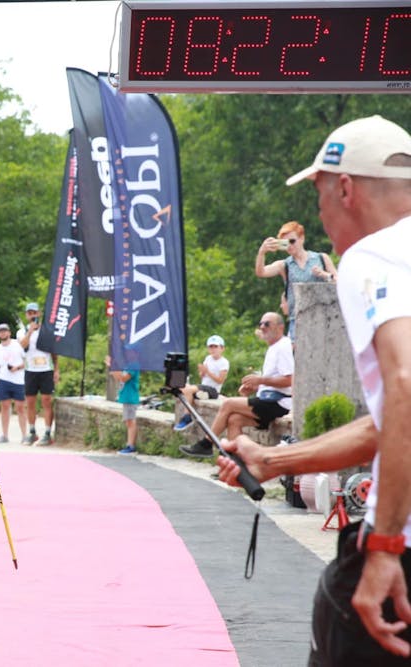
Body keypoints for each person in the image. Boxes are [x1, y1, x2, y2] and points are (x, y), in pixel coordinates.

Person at [217, 115, 411, 665]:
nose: (320, 216)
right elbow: (392, 421)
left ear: (345, 188)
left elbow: (405, 391)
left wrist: (384, 546)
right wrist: (275, 461)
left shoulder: (373, 255)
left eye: (320, 196)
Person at [180, 312, 292, 458]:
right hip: (269, 400)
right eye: (261, 324)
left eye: (267, 324)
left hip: (277, 403)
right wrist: (255, 387)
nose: (262, 327)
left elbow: (289, 380)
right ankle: (236, 464)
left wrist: (260, 380)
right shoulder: (274, 347)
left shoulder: (283, 346)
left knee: (228, 404)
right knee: (234, 420)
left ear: (280, 327)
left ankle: (206, 444)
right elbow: (275, 381)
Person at [255, 220, 338, 340]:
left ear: (302, 239)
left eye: (292, 241)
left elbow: (339, 282)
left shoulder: (321, 258)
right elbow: (261, 272)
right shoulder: (285, 265)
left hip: (323, 317)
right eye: (285, 243)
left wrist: (325, 275)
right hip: (298, 319)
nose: (289, 245)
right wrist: (262, 252)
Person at [17, 302, 59, 445]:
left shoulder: (48, 330)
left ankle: (47, 432)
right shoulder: (22, 331)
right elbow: (22, 345)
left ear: (39, 313)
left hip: (46, 369)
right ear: (26, 315)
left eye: (34, 312)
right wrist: (30, 331)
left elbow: (54, 351)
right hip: (31, 370)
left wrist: (57, 369)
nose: (32, 315)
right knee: (30, 402)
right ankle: (32, 431)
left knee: (47, 400)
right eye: (29, 313)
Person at [173, 335, 230, 431]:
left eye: (215, 347)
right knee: (183, 388)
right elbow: (202, 376)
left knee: (188, 389)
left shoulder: (224, 362)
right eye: (211, 347)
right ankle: (192, 406)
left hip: (213, 390)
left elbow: (220, 380)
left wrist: (207, 371)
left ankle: (187, 416)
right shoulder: (208, 358)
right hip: (204, 387)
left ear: (222, 348)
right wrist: (202, 372)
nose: (213, 349)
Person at [0, 323, 27, 444]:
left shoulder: (18, 345)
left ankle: (24, 435)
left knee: (20, 407)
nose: (3, 333)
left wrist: (17, 368)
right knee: (5, 407)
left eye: (5, 331)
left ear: (9, 332)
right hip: (4, 380)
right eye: (0, 331)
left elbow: (26, 362)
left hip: (18, 380)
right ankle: (5, 434)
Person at [107, 355, 140, 454]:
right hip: (126, 397)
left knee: (130, 421)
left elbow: (123, 378)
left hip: (131, 397)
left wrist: (112, 367)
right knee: (128, 421)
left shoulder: (134, 365)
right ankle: (129, 444)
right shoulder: (127, 365)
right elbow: (119, 377)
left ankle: (131, 446)